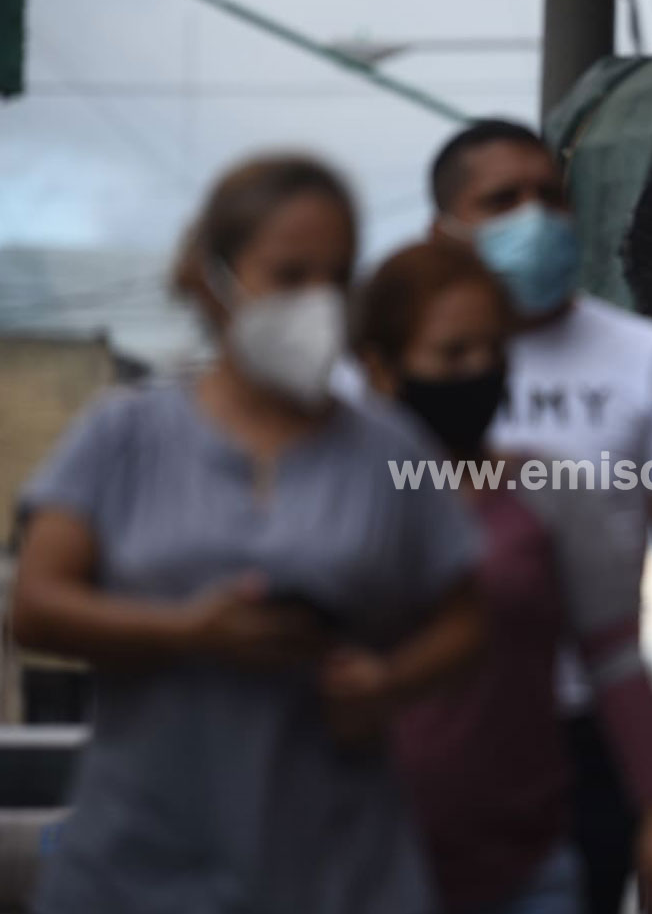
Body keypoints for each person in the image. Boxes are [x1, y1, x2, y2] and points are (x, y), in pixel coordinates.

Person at [10, 155, 484, 914]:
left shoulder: (389, 448)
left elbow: (467, 612)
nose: (317, 304)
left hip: (338, 859)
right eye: (288, 275)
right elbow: (35, 604)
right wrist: (188, 630)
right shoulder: (122, 433)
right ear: (213, 279)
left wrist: (389, 684)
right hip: (140, 854)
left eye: (335, 277)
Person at [427, 120, 652, 913]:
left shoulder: (645, 359)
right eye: (502, 200)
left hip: (588, 731)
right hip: (422, 724)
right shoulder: (394, 365)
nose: (534, 218)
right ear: (446, 229)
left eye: (550, 198)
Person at [352, 239, 652, 914]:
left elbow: (616, 659)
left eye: (492, 351)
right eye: (453, 354)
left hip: (528, 857)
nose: (480, 371)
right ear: (383, 369)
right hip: (362, 855)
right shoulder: (336, 494)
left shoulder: (549, 491)